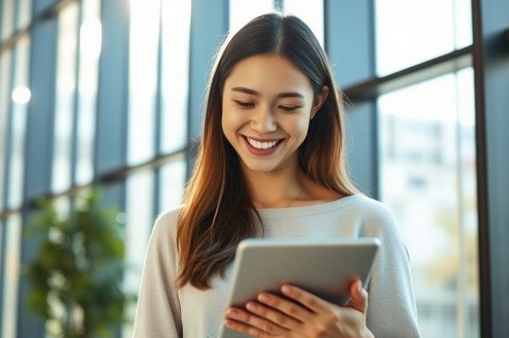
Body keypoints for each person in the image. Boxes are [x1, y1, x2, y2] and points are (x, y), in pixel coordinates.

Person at [132, 13, 421, 338]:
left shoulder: (369, 223)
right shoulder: (178, 231)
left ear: (317, 103)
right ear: (219, 100)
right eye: (244, 102)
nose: (263, 124)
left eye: (287, 107)